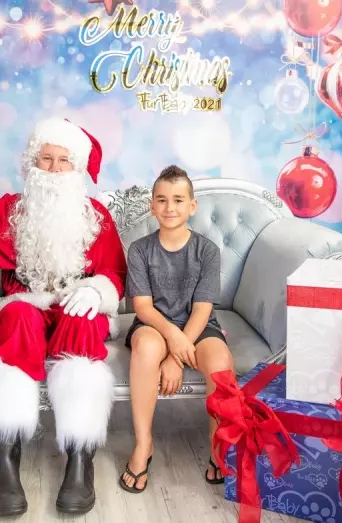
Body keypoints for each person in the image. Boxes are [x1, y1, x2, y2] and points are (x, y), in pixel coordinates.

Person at [0, 118, 127, 516]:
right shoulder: (6, 211)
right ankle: (4, 458)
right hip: (25, 302)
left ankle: (81, 460)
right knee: (18, 319)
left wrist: (96, 291)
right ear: (32, 164)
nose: (55, 169)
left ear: (77, 169)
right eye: (46, 159)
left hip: (76, 302)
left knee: (83, 325)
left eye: (64, 161)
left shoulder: (96, 216)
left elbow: (114, 273)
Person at [120, 166, 235, 493]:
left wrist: (176, 359)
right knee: (146, 348)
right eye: (162, 200)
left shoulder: (207, 251)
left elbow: (202, 309)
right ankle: (143, 444)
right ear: (152, 206)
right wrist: (171, 341)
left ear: (191, 207)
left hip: (199, 328)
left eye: (178, 200)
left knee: (220, 362)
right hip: (153, 325)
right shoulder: (140, 250)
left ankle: (219, 442)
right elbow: (142, 307)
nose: (170, 208)